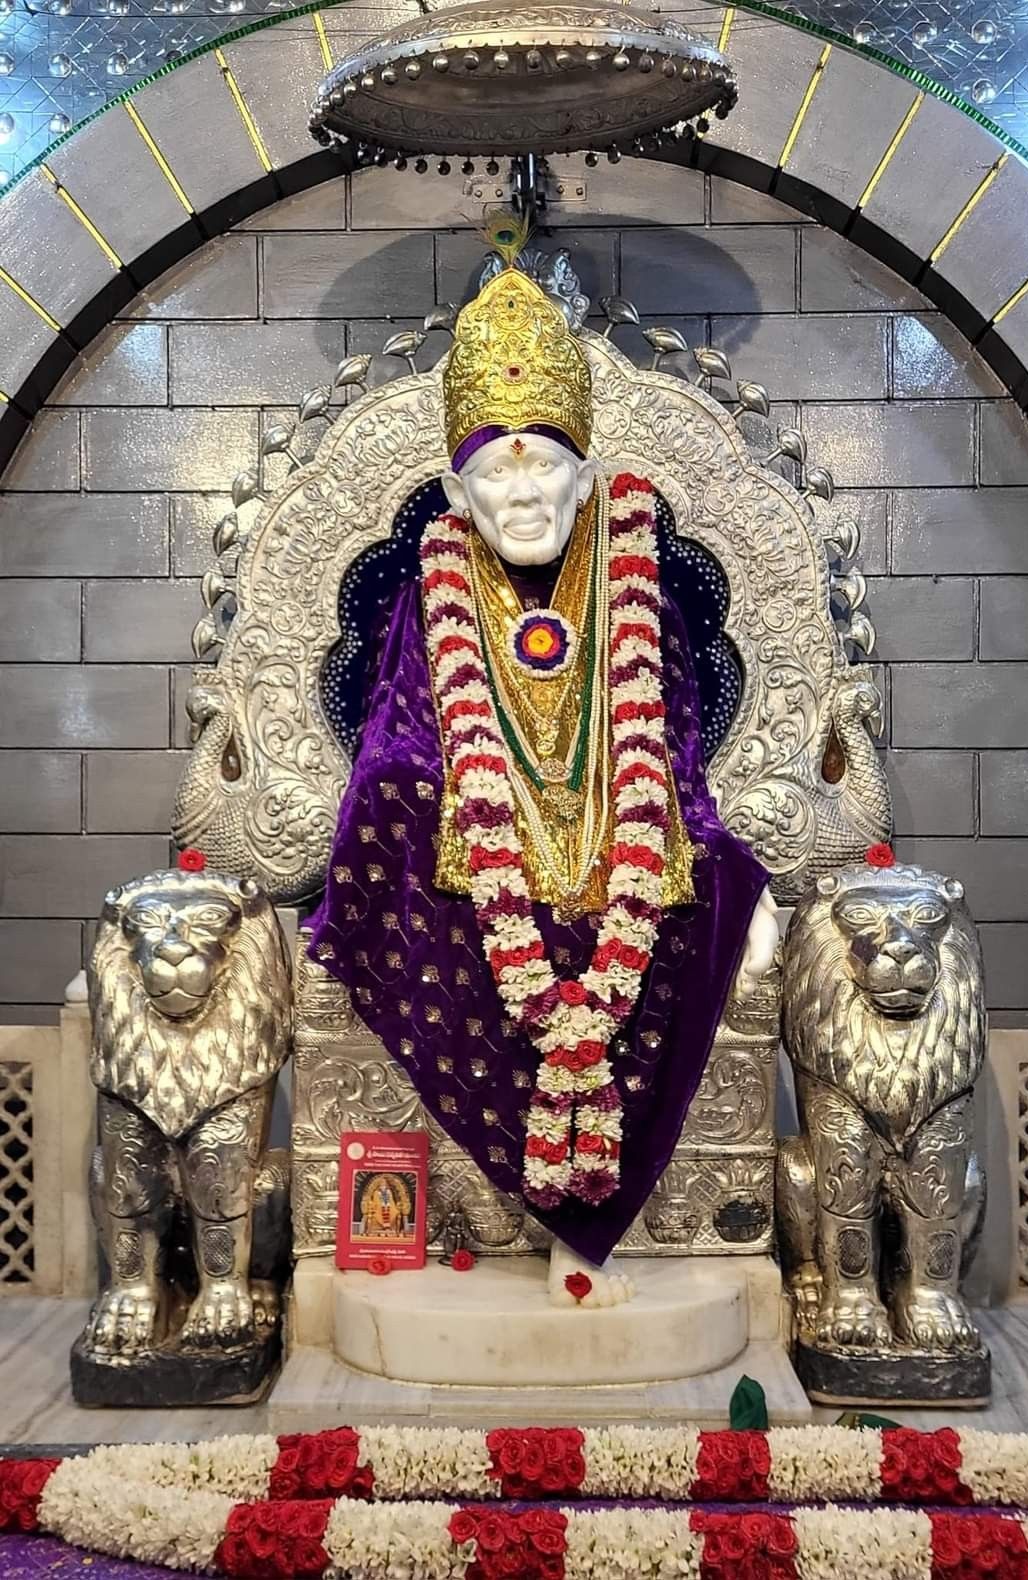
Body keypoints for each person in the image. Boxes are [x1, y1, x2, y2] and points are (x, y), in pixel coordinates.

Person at [310, 263, 778, 1307]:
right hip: (476, 862)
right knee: (390, 802)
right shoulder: (428, 586)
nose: (522, 497)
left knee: (707, 890)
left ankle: (606, 1216)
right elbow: (401, 730)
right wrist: (476, 814)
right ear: (455, 491)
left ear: (586, 474)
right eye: (497, 479)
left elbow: (675, 748)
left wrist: (651, 823)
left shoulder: (635, 578)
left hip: (625, 835)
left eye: (543, 472)